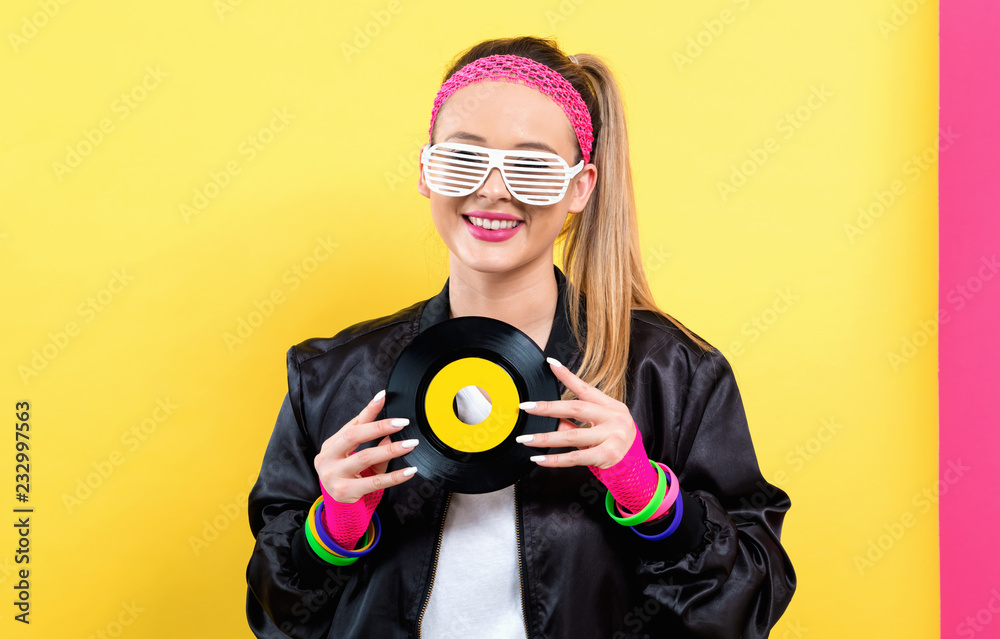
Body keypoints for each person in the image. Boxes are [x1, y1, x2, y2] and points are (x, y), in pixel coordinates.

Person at [246, 36, 795, 639]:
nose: (493, 190)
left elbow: (744, 610)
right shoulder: (330, 377)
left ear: (580, 188)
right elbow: (278, 616)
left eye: (530, 166)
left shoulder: (671, 374)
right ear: (427, 172)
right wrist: (333, 530)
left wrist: (655, 503)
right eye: (463, 159)